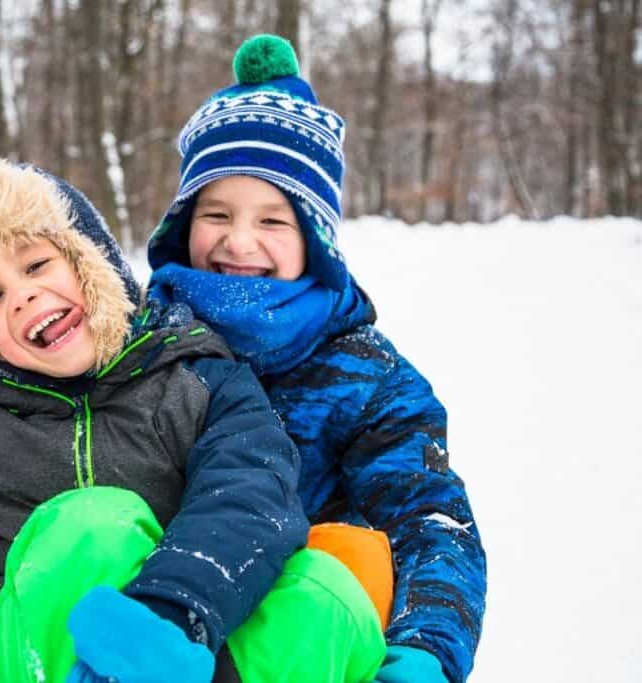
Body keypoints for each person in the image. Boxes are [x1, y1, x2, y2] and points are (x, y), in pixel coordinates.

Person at [0, 157, 389, 683]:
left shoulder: (200, 381)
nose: (21, 296)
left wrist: (176, 607)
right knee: (96, 522)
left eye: (35, 265)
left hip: (176, 647)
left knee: (326, 590)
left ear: (91, 263)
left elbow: (250, 493)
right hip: (27, 655)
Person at [146, 35, 487, 683]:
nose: (238, 240)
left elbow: (430, 520)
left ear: (318, 239)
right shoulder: (139, 344)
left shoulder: (368, 378)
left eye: (274, 221)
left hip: (299, 639)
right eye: (215, 212)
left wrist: (428, 647)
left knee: (350, 552)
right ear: (181, 227)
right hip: (156, 626)